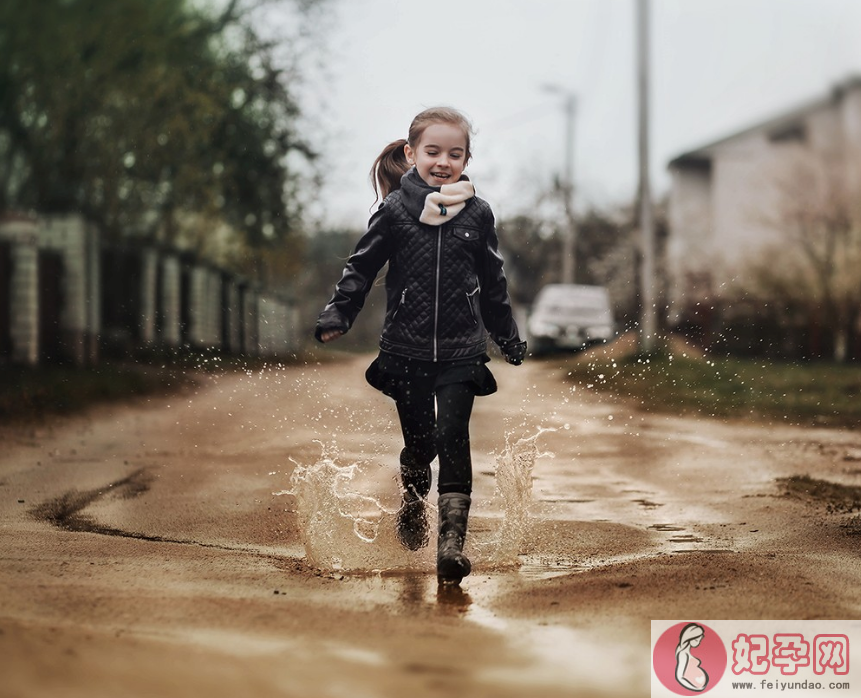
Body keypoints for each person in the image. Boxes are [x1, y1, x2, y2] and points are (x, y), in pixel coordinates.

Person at [315, 106, 526, 585]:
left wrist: (507, 337)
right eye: (433, 152)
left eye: (455, 153)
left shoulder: (478, 213)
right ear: (412, 155)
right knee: (421, 445)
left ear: (466, 158)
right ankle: (413, 500)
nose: (443, 161)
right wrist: (339, 314)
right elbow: (361, 267)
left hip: (460, 350)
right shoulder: (394, 212)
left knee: (454, 438)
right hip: (406, 349)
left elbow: (494, 283)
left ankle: (451, 545)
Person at [675, 623, 709, 692]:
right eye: (697, 640)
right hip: (693, 688)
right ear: (689, 638)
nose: (698, 643)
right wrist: (696, 688)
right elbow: (679, 676)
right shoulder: (683, 654)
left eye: (699, 640)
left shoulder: (686, 653)